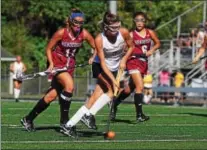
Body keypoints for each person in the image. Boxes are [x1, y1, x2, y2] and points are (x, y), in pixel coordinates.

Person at [20, 8, 96, 132]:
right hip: (57, 63)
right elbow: (49, 49)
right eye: (76, 22)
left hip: (70, 65)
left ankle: (28, 119)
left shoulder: (84, 34)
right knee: (70, 86)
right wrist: (50, 65)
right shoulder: (61, 33)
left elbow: (96, 46)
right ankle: (65, 123)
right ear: (71, 21)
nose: (78, 25)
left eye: (81, 22)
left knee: (51, 96)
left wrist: (93, 56)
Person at [61, 11, 134, 137]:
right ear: (105, 26)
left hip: (115, 67)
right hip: (100, 67)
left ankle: (69, 125)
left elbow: (131, 46)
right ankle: (89, 115)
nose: (116, 30)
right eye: (113, 28)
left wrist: (124, 59)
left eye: (118, 26)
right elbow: (103, 65)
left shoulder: (124, 32)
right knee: (111, 91)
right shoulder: (99, 39)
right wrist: (113, 80)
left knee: (94, 97)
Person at [110, 12, 160, 121]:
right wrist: (123, 51)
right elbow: (124, 48)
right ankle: (139, 115)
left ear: (145, 21)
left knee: (130, 88)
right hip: (133, 61)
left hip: (143, 62)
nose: (139, 22)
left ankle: (114, 103)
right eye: (137, 20)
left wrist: (151, 50)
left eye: (142, 20)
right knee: (140, 87)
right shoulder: (131, 34)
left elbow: (157, 43)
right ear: (134, 21)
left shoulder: (150, 32)